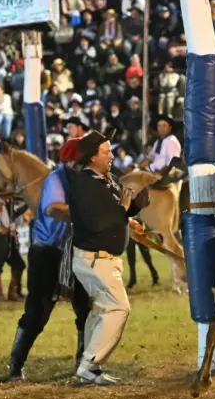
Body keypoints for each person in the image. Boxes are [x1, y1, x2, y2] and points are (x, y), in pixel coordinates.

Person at [54, 131, 150, 385]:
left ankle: (90, 369)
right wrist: (124, 208)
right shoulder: (84, 185)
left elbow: (121, 212)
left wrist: (138, 201)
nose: (110, 155)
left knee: (101, 312)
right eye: (105, 152)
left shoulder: (107, 179)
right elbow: (99, 222)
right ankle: (89, 365)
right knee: (119, 307)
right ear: (92, 156)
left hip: (105, 258)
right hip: (94, 259)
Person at [7, 138, 92, 381]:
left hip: (73, 251)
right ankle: (15, 366)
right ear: (74, 159)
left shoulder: (84, 179)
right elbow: (53, 210)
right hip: (48, 253)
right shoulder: (56, 179)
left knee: (85, 309)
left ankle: (82, 366)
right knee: (37, 313)